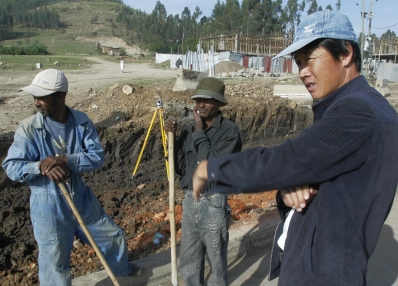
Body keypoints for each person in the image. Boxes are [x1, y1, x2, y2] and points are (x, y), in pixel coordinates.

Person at [192, 10, 398, 286]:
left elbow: (288, 160)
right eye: (298, 62)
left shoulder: (358, 110)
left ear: (346, 54)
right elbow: (316, 175)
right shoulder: (354, 107)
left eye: (310, 59)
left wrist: (214, 170)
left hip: (322, 275)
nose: (302, 72)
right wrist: (292, 185)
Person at [3, 69, 139, 286]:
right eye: (34, 97)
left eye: (41, 97)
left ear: (60, 97)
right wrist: (41, 167)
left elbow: (96, 158)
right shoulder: (29, 129)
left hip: (80, 197)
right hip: (48, 204)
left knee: (112, 237)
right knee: (55, 263)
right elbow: (11, 167)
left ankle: (121, 277)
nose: (36, 102)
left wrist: (65, 160)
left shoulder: (81, 122)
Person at [165, 77, 242, 286]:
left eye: (207, 101)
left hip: (213, 200)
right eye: (199, 100)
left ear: (218, 104)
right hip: (191, 200)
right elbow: (180, 167)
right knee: (189, 259)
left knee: (216, 261)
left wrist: (199, 132)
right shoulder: (189, 130)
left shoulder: (229, 131)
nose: (201, 105)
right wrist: (170, 138)